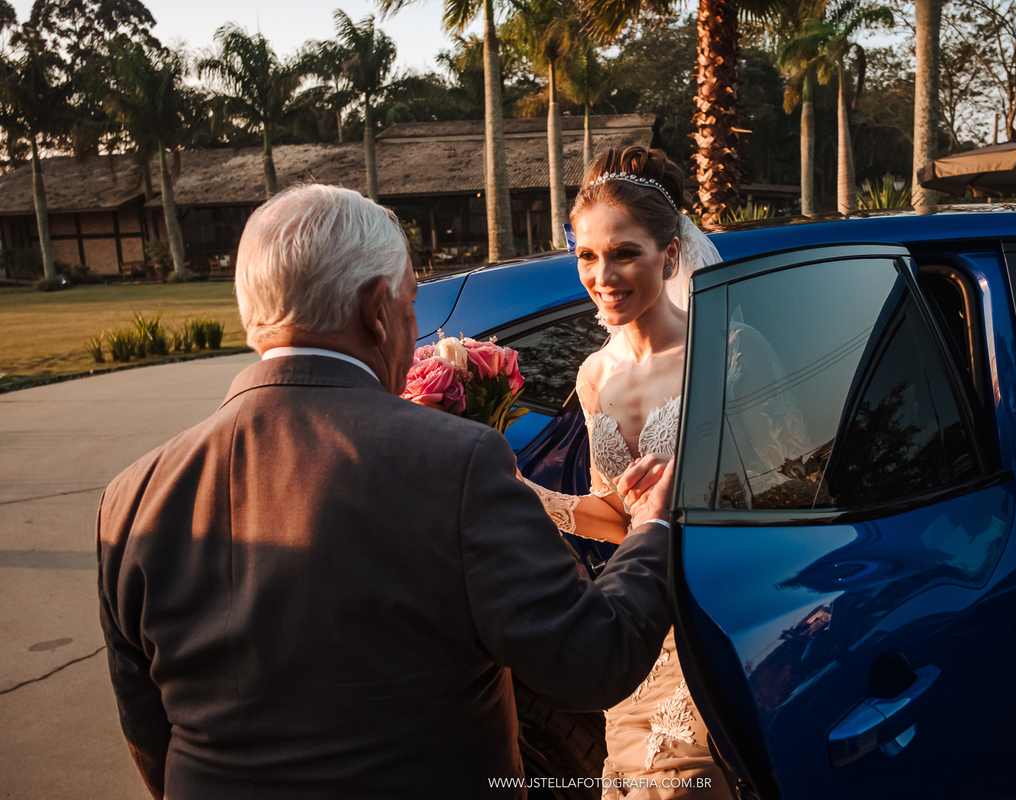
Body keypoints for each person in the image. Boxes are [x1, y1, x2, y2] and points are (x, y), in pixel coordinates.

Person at [96, 184, 676, 800]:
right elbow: (590, 661)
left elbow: (148, 732)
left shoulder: (132, 497)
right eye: (409, 304)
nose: (414, 326)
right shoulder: (456, 462)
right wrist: (654, 529)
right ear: (378, 310)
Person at [521, 147, 737, 799]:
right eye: (587, 255)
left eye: (624, 253)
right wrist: (525, 493)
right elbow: (617, 520)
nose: (602, 275)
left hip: (715, 624)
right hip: (636, 632)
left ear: (670, 255)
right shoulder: (596, 375)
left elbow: (792, 491)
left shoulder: (725, 352)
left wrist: (690, 496)